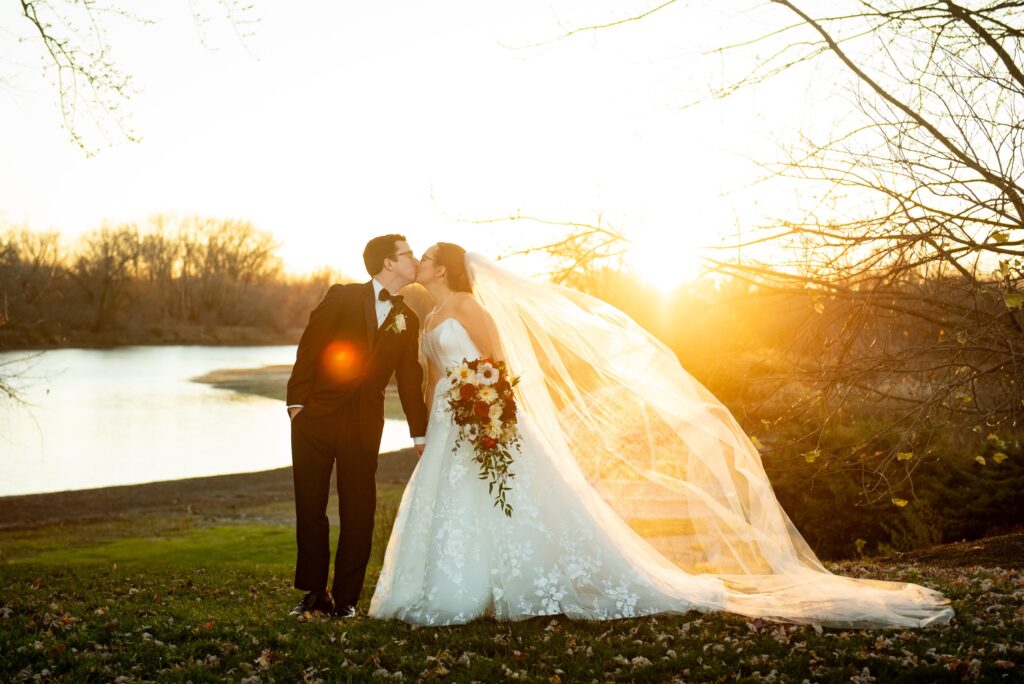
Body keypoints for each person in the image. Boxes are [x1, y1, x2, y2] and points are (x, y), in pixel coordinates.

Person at [368, 243, 954, 628]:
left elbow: (496, 362)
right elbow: (432, 374)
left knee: (509, 495)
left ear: (442, 269)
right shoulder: (427, 317)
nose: (416, 262)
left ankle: (516, 581)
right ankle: (448, 584)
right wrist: (440, 408)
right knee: (449, 497)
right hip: (450, 419)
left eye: (422, 258)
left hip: (486, 411)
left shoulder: (471, 306)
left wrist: (490, 406)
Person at [286, 234, 428, 618]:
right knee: (310, 509)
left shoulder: (407, 319)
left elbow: (410, 381)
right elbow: (310, 347)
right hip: (315, 418)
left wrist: (420, 433)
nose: (414, 259)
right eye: (408, 254)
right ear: (388, 263)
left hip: (364, 425)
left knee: (359, 512)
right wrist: (297, 405)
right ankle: (315, 594)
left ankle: (346, 600)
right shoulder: (343, 297)